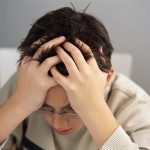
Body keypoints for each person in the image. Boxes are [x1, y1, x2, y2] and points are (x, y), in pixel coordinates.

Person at [0, 7, 150, 150]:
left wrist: (92, 107)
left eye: (72, 110)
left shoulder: (135, 106)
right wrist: (20, 102)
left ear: (107, 78)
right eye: (44, 108)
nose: (58, 123)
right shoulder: (27, 86)